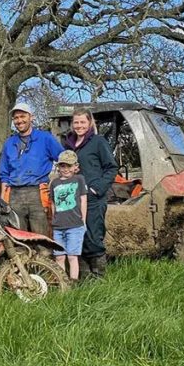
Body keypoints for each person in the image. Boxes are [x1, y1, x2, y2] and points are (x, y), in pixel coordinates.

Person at [65, 107, 118, 278]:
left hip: (93, 197)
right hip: (74, 198)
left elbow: (111, 167)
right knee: (77, 234)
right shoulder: (69, 144)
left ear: (89, 123)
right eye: (76, 122)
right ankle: (84, 276)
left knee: (93, 235)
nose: (79, 125)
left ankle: (99, 277)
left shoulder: (98, 141)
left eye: (82, 122)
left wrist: (97, 188)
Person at [0, 102, 64, 236]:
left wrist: (55, 183)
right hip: (14, 194)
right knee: (18, 237)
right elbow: (4, 174)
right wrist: (3, 199)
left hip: (37, 192)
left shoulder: (45, 138)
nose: (19, 120)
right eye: (16, 118)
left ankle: (43, 256)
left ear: (31, 117)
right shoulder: (9, 143)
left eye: (23, 116)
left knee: (41, 236)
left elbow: (64, 160)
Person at [50, 150, 88, 281]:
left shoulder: (79, 180)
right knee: (59, 256)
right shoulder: (54, 183)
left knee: (72, 256)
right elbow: (53, 203)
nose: (66, 169)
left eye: (69, 166)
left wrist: (83, 220)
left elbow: (83, 200)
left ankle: (73, 282)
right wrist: (54, 219)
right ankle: (61, 282)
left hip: (74, 225)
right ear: (58, 167)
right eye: (62, 166)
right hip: (58, 226)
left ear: (75, 167)